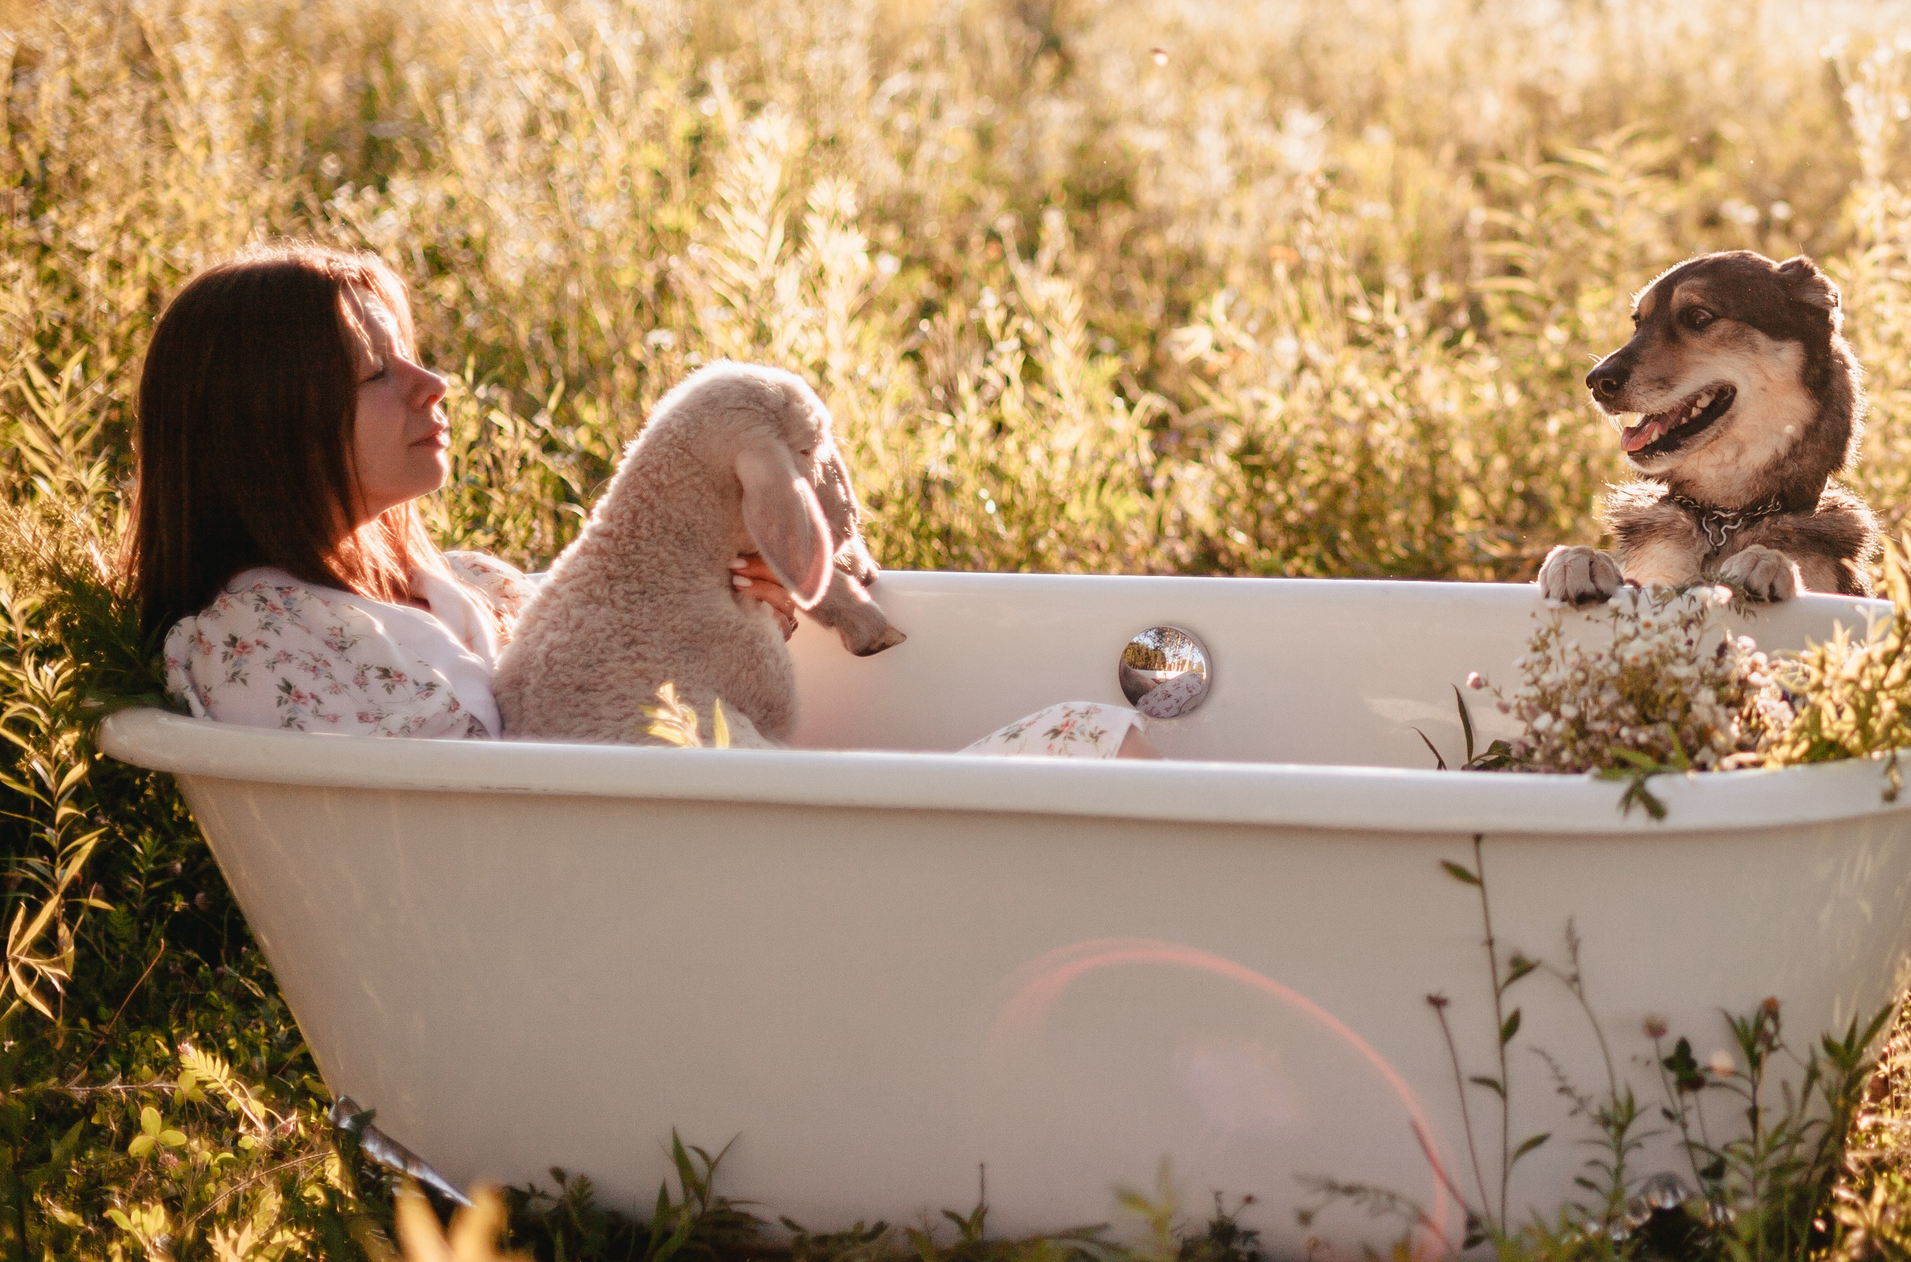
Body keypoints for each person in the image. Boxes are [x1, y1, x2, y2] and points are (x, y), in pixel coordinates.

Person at [128, 244, 1153, 757]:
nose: (431, 385)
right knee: (1085, 747)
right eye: (375, 374)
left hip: (712, 860)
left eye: (413, 353)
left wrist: (737, 609)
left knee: (1093, 739)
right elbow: (472, 833)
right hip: (663, 911)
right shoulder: (260, 641)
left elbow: (624, 688)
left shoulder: (464, 588)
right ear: (266, 425)